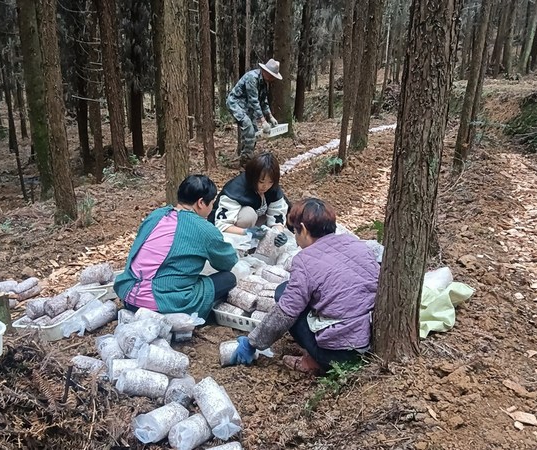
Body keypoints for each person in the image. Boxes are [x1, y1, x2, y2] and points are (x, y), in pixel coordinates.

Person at [229, 198, 379, 374]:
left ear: (304, 230)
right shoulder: (356, 243)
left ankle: (318, 361)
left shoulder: (304, 260)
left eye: (295, 231)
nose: (295, 237)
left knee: (283, 294)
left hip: (338, 353)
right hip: (370, 340)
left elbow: (285, 312)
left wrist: (251, 343)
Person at [114, 175, 239, 319]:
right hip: (163, 304)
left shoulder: (155, 215)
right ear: (200, 203)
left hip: (128, 295)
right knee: (228, 278)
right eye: (211, 203)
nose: (211, 208)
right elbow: (227, 262)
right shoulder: (204, 228)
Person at [209, 152, 289, 248]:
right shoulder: (235, 190)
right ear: (252, 177)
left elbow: (277, 215)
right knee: (248, 215)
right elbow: (222, 225)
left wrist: (278, 233)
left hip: (257, 226)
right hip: (231, 229)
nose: (265, 186)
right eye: (261, 182)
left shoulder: (273, 189)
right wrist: (246, 232)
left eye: (270, 182)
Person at [227, 58, 282, 166]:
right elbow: (254, 101)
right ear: (266, 72)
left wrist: (270, 117)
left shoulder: (264, 83)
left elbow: (263, 101)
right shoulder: (252, 78)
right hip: (236, 103)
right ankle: (246, 162)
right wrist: (263, 121)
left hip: (247, 107)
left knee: (255, 132)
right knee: (249, 129)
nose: (272, 78)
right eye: (272, 75)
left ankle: (246, 154)